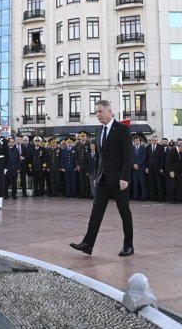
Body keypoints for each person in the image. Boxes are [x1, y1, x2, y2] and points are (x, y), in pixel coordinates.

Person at [70, 100, 134, 257]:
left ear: (109, 111)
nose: (97, 115)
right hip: (102, 180)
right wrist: (96, 174)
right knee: (96, 212)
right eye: (96, 112)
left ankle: (128, 245)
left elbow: (128, 156)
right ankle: (88, 244)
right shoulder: (98, 131)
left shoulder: (122, 130)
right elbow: (99, 156)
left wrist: (124, 177)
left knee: (124, 212)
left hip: (119, 180)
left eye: (100, 111)